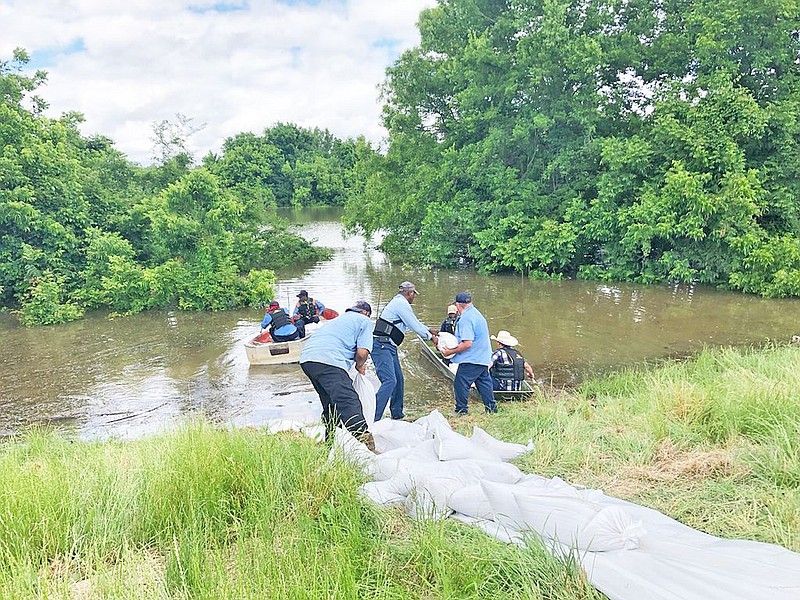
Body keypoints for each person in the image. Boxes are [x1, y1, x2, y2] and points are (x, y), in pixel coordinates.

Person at [299, 300, 376, 451]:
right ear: (366, 313)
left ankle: (330, 445)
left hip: (307, 360)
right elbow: (362, 353)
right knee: (348, 400)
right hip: (329, 360)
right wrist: (359, 365)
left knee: (331, 406)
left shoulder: (337, 320)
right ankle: (365, 446)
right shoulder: (365, 321)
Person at [372, 281, 439, 421]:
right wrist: (431, 337)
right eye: (414, 294)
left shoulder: (399, 303)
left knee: (399, 380)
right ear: (410, 293)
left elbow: (413, 322)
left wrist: (428, 329)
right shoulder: (401, 304)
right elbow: (414, 325)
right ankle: (373, 417)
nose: (414, 297)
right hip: (381, 346)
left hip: (389, 346)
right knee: (390, 381)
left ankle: (397, 414)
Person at [440, 292, 497, 415]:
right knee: (484, 382)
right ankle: (491, 409)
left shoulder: (466, 319)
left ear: (458, 305)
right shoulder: (477, 314)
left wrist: (450, 351)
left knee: (460, 383)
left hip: (472, 358)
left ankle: (461, 410)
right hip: (483, 356)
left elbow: (467, 343)